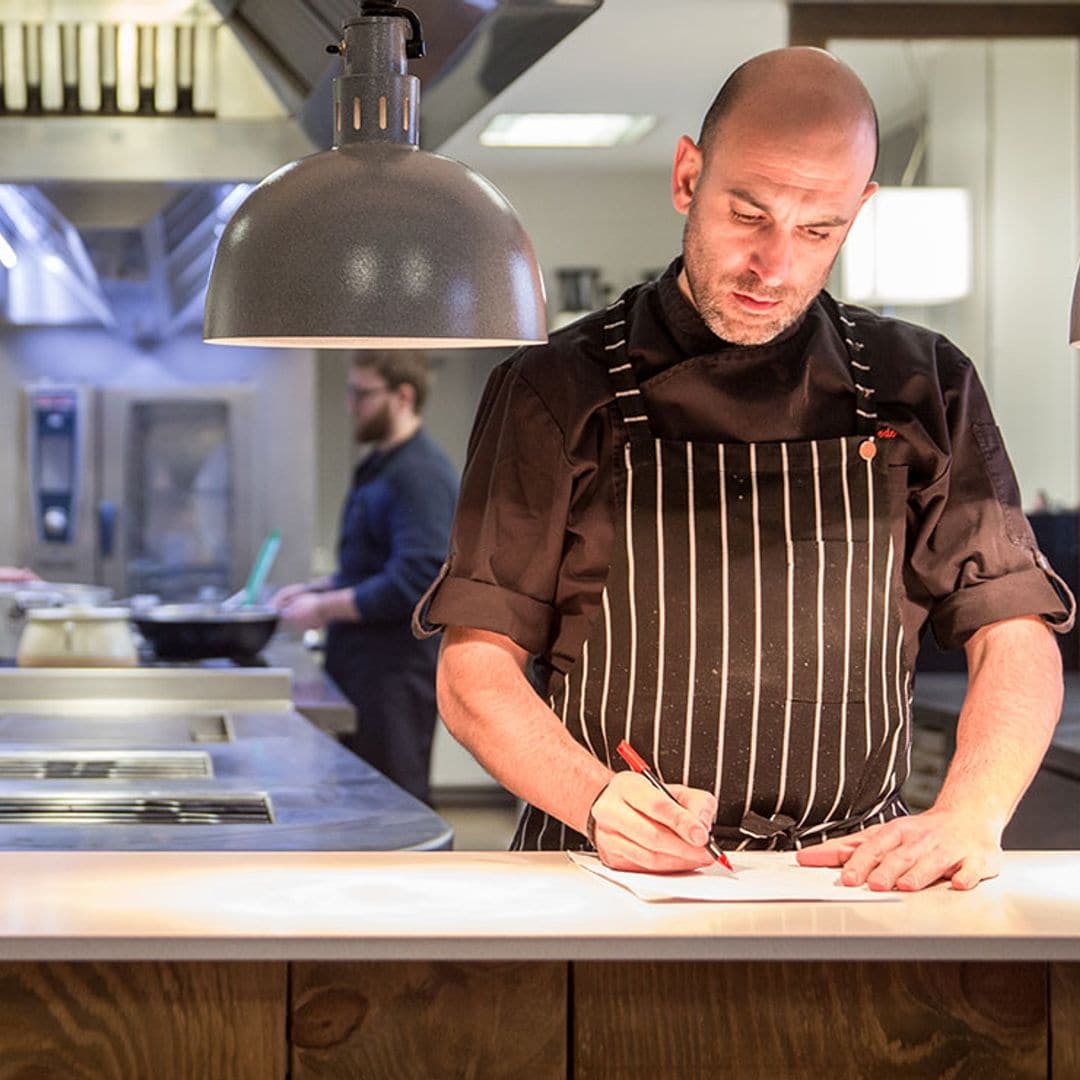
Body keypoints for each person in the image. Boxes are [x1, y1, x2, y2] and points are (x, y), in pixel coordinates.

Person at [414, 47, 1075, 890]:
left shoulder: (925, 383)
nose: (776, 266)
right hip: (604, 876)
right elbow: (476, 668)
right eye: (749, 214)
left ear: (859, 210)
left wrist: (970, 813)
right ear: (688, 176)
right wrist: (596, 798)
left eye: (818, 230)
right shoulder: (552, 388)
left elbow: (1012, 627)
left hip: (850, 883)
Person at [274, 351, 458, 804]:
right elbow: (369, 568)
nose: (351, 404)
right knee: (363, 800)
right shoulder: (381, 465)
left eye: (362, 393)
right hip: (362, 671)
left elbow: (416, 580)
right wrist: (317, 588)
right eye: (350, 391)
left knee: (396, 803)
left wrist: (321, 609)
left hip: (394, 678)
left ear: (403, 396)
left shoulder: (420, 474)